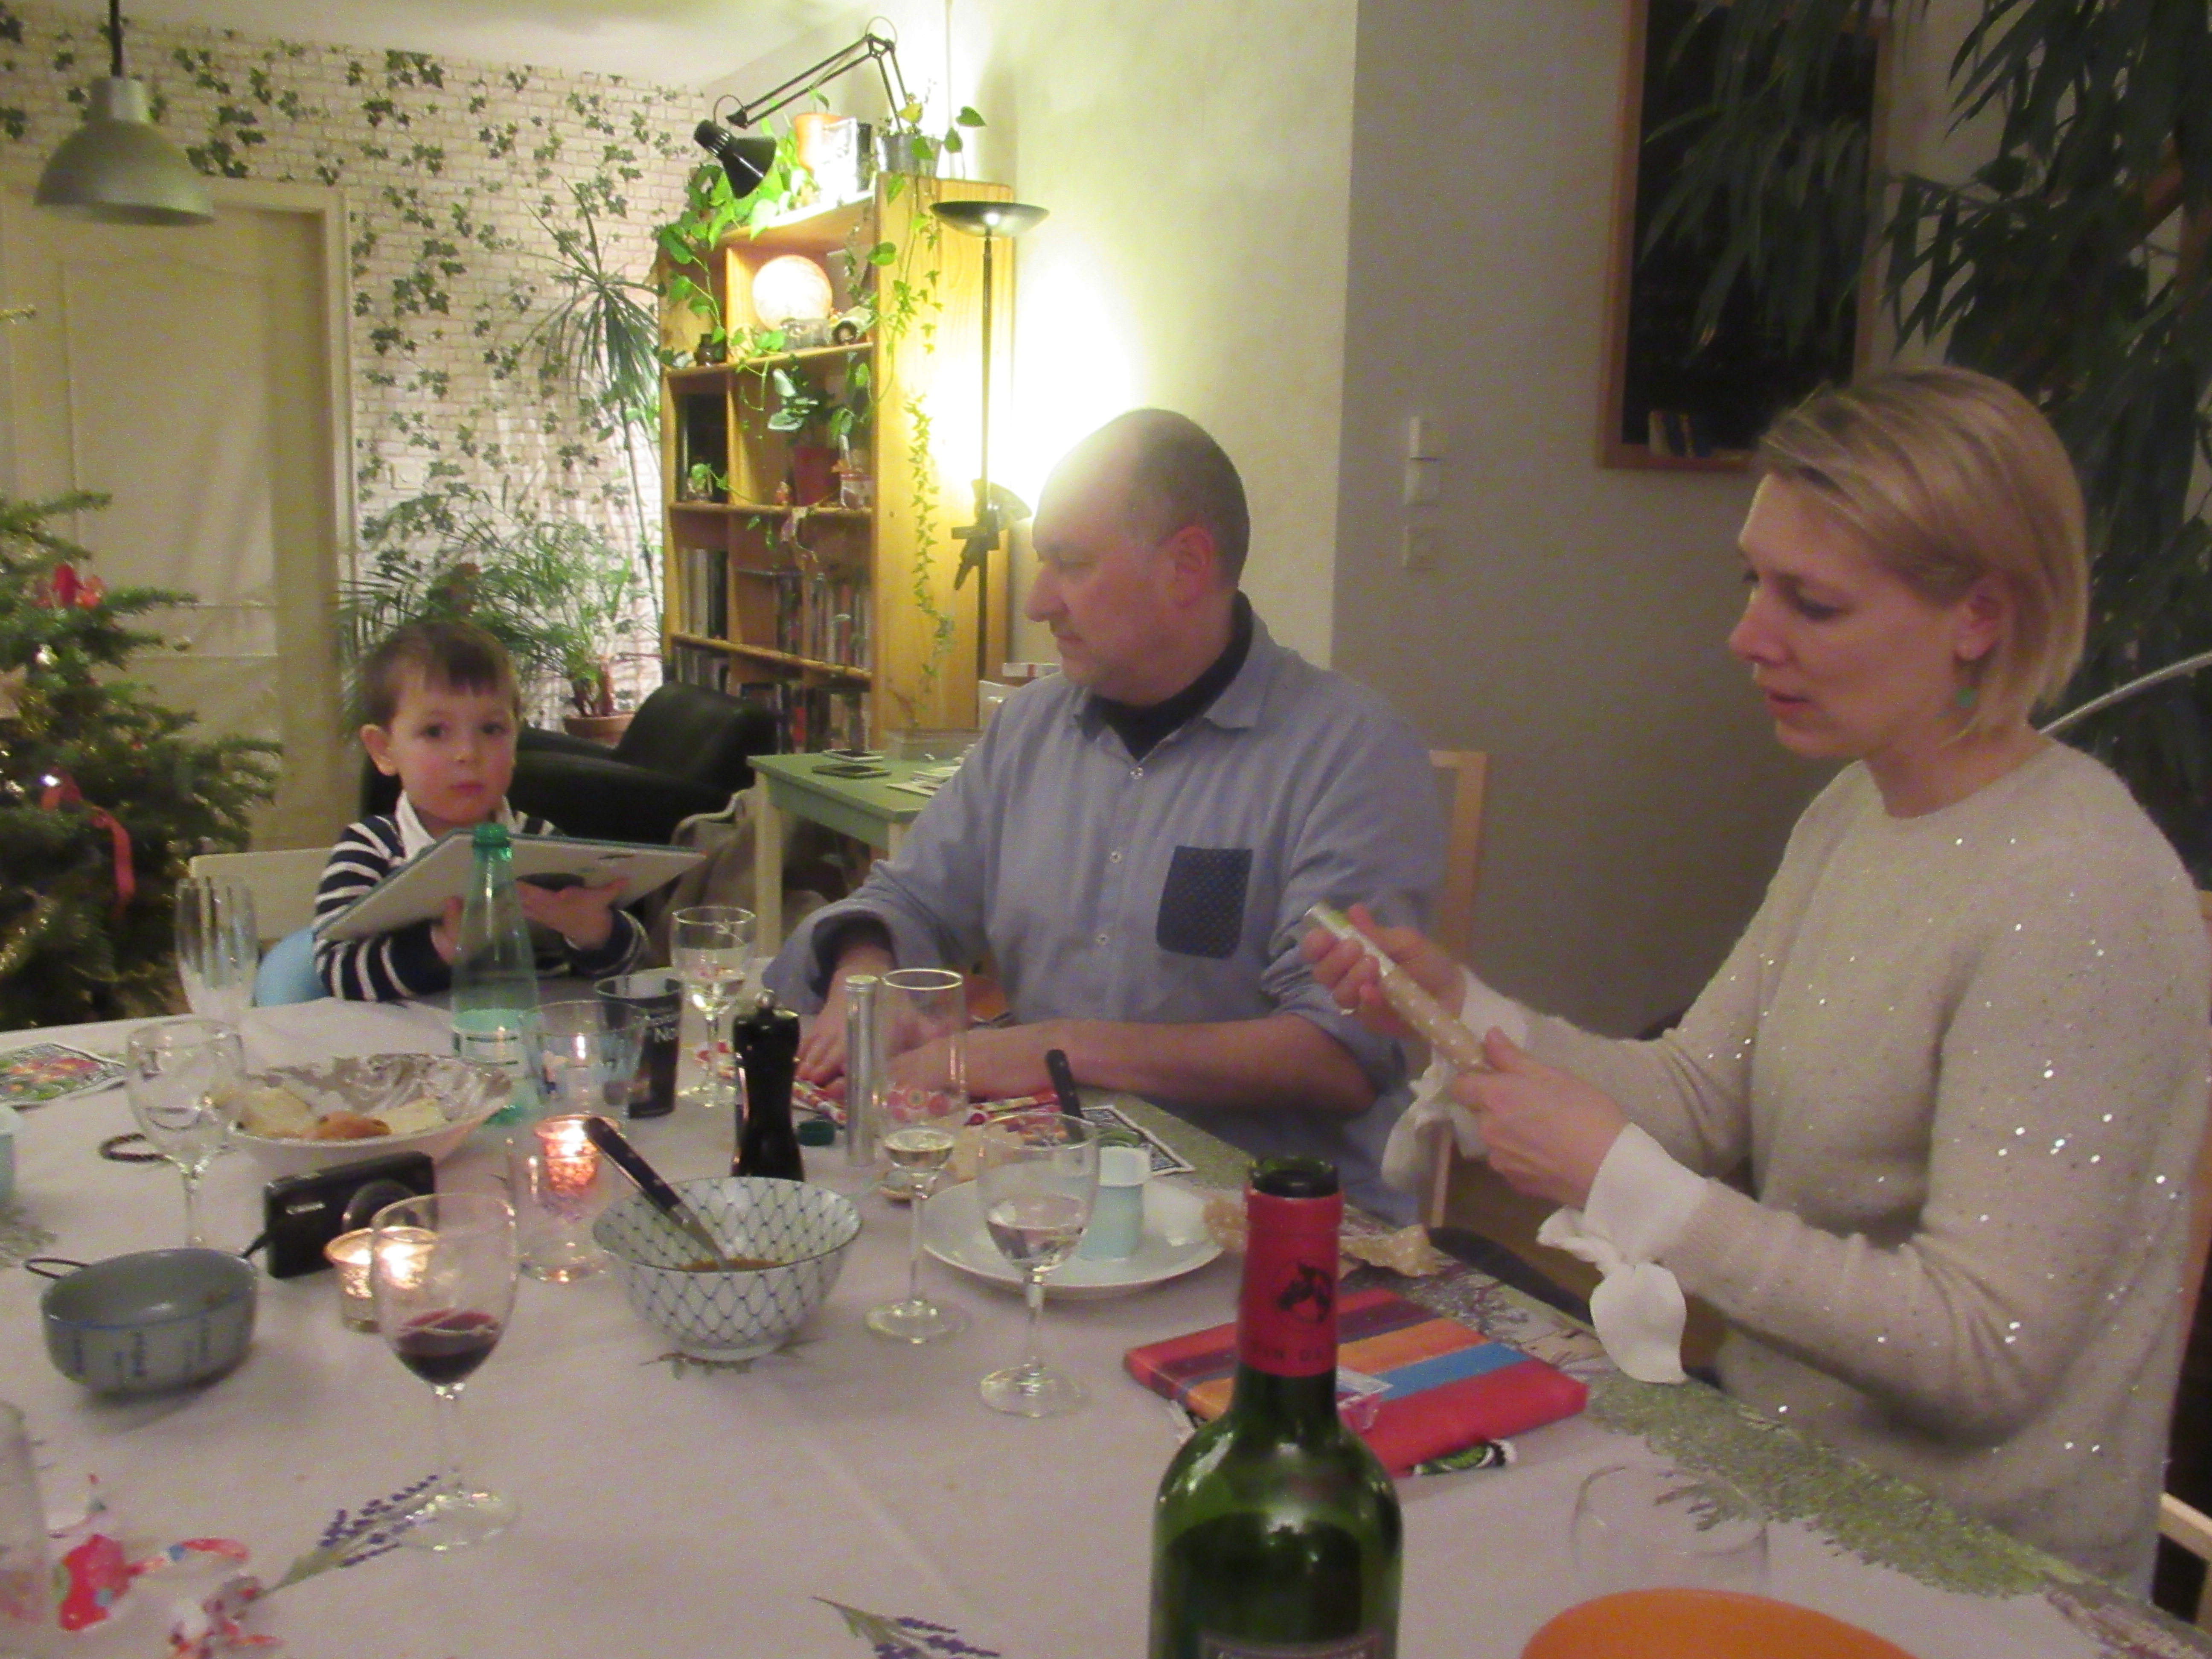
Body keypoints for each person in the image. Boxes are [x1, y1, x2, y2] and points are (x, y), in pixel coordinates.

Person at [1308, 366, 2209, 1586]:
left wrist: (1631, 1191)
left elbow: (1988, 1351)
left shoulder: (2079, 891)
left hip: (1973, 1572)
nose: (1747, 636)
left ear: (1979, 616)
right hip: (1780, 1473)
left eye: (1811, 603)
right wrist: (1456, 1008)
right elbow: (1695, 1093)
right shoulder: (1856, 812)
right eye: (1753, 582)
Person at [765, 409, 1444, 1216]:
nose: (1036, 600)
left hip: (1263, 1219)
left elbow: (1338, 1055)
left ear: (1186, 566)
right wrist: (865, 979)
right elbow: (910, 899)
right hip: (1048, 1190)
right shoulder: (1030, 726)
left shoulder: (1350, 750)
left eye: (1070, 564)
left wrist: (1058, 1047)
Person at [315, 620, 645, 1001]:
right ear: (384, 750)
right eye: (435, 732)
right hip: (404, 1036)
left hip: (533, 1032)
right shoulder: (370, 849)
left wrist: (593, 931)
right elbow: (334, 971)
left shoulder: (542, 842)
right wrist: (444, 945)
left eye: (491, 729)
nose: (468, 754)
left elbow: (629, 965)